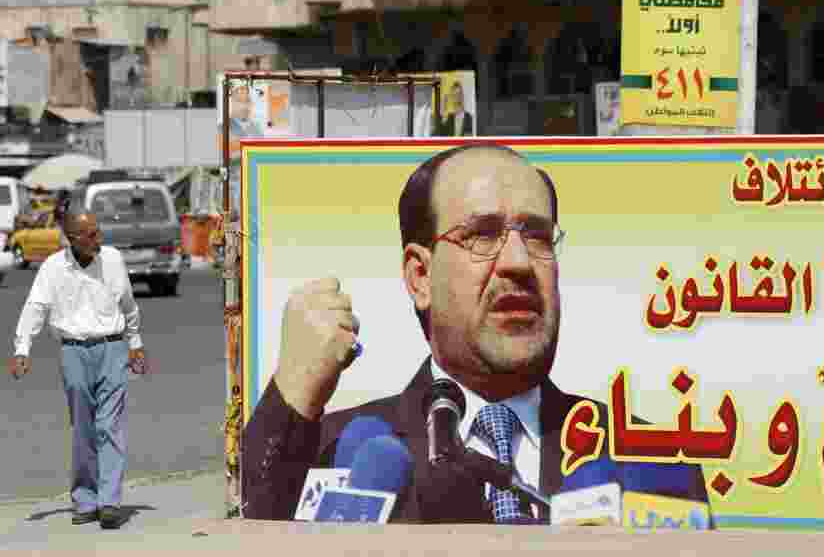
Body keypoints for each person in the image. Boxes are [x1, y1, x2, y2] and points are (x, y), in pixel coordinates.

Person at [241, 144, 709, 523]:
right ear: (420, 277)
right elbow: (256, 528)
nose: (519, 263)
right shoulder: (347, 454)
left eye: (539, 236)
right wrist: (294, 395)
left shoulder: (648, 463)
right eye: (483, 235)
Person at [9, 208, 149, 530]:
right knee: (83, 427)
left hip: (113, 348)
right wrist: (22, 349)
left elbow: (128, 304)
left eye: (99, 232)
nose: (99, 240)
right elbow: (36, 308)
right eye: (91, 235)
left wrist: (135, 342)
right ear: (72, 239)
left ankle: (109, 501)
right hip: (73, 352)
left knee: (109, 425)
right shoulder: (53, 268)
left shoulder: (112, 260)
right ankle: (86, 500)